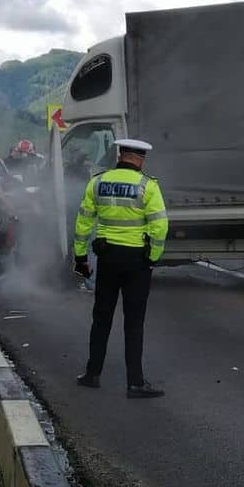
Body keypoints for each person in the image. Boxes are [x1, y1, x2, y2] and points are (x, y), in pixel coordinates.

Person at [72, 138, 169, 399]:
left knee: (101, 318)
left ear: (120, 155)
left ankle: (92, 374)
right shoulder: (148, 186)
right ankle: (135, 383)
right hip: (137, 261)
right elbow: (159, 226)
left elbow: (83, 222)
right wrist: (153, 258)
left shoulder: (98, 181)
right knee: (134, 322)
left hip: (107, 258)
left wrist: (80, 258)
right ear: (141, 159)